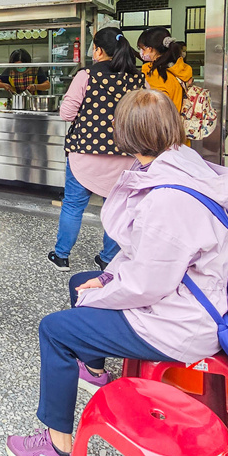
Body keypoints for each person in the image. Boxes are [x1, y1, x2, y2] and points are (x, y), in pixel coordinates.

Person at [4, 88, 228, 456]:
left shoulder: (168, 200)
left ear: (124, 134)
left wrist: (107, 288)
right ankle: (94, 373)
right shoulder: (183, 163)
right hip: (185, 294)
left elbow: (148, 283)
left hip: (179, 319)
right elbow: (153, 264)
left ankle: (57, 448)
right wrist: (105, 280)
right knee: (82, 280)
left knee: (54, 330)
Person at [48, 28, 143, 273]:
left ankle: (61, 257)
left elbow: (67, 114)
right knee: (118, 209)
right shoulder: (139, 78)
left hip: (84, 154)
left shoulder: (86, 75)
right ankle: (108, 259)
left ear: (98, 50)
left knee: (72, 206)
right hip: (124, 156)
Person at [137, 27, 192, 111]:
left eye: (142, 48)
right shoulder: (179, 69)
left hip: (159, 122)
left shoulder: (153, 73)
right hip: (175, 121)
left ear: (150, 49)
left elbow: (151, 108)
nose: (141, 52)